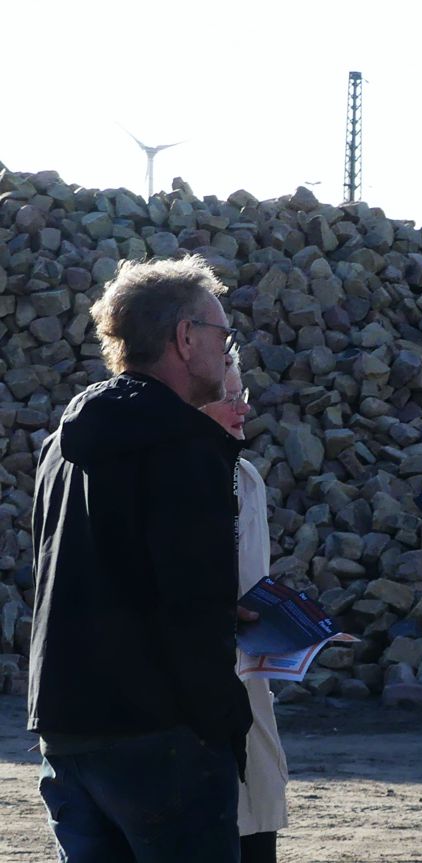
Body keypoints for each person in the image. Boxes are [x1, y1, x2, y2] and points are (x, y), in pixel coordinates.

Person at [28, 255, 252, 862]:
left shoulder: (58, 446)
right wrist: (221, 725)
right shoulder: (187, 445)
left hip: (67, 723)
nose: (225, 348)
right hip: (161, 732)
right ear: (184, 338)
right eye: (222, 335)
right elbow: (193, 599)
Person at [202, 358, 289, 863]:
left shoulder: (246, 478)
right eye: (228, 396)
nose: (243, 407)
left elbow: (253, 586)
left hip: (246, 682)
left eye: (244, 393)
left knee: (256, 817)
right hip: (191, 695)